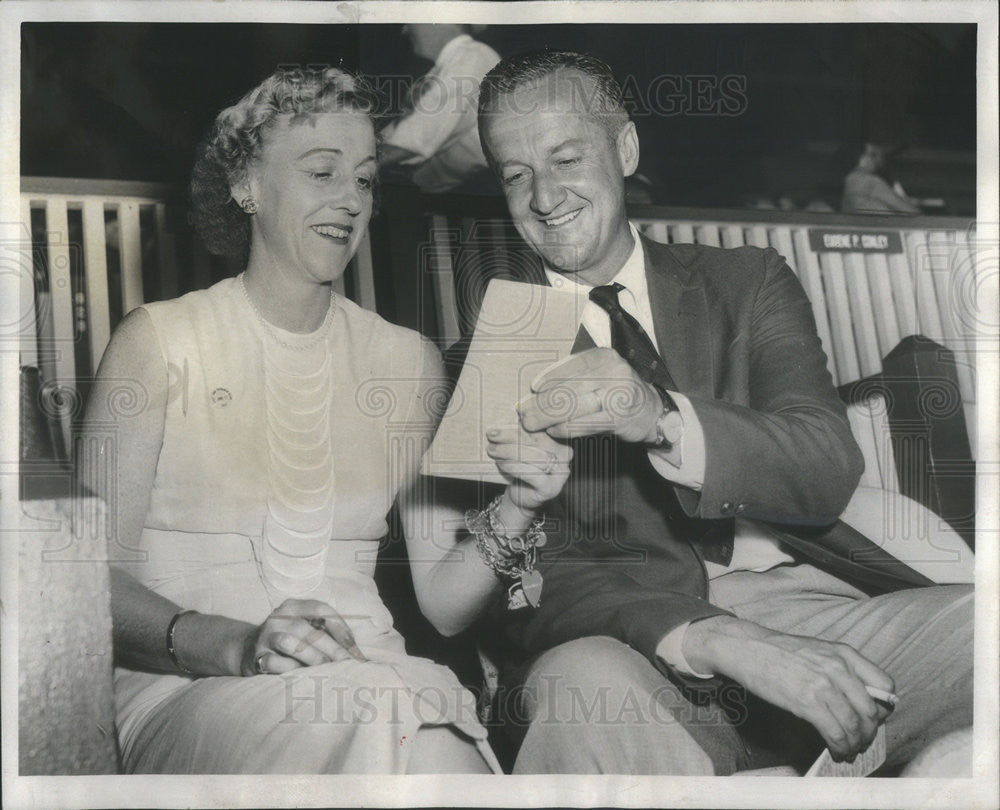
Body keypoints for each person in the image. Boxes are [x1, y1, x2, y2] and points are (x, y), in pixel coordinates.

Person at [451, 50, 972, 775]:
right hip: (638, 647)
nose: (543, 197)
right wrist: (711, 635)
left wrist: (661, 416)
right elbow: (526, 583)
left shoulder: (746, 282)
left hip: (821, 602)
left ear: (625, 148)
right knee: (578, 688)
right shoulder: (497, 343)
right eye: (515, 174)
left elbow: (824, 462)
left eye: (566, 158)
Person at [77, 66, 503, 774]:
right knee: (405, 725)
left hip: (374, 677)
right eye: (322, 172)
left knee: (423, 718)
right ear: (246, 185)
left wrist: (519, 506)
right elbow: (85, 583)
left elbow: (447, 605)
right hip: (191, 687)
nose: (350, 201)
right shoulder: (157, 342)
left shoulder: (408, 362)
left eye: (364, 180)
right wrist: (235, 643)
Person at [379, 24, 500, 193]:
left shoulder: (473, 55)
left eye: (409, 21)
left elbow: (417, 135)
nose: (404, 30)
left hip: (476, 194)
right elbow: (402, 130)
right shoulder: (446, 67)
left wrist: (360, 162)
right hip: (450, 193)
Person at [841, 141, 921, 214]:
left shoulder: (849, 179)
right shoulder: (870, 181)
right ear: (861, 158)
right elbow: (911, 211)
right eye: (873, 155)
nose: (878, 160)